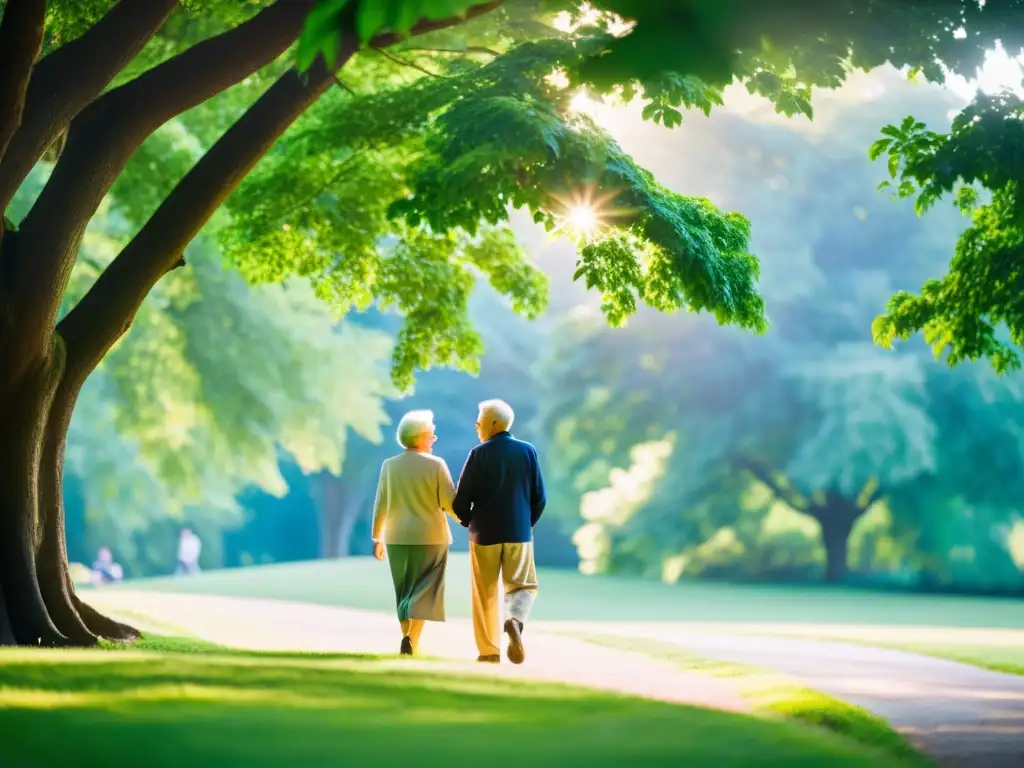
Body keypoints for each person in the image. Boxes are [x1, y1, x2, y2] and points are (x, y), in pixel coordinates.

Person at [453, 398, 546, 665]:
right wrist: (526, 524)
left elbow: (461, 501)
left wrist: (469, 521)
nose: (476, 426)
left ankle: (488, 652)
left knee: (485, 593)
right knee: (523, 585)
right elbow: (539, 496)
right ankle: (514, 620)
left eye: (479, 421)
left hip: (483, 534)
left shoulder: (478, 453)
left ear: (493, 424)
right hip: (519, 532)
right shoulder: (528, 451)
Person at [372, 409, 458, 656]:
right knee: (425, 590)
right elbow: (450, 503)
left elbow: (381, 503)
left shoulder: (389, 465)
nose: (434, 439)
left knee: (404, 591)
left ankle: (408, 641)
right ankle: (412, 639)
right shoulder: (436, 465)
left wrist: (377, 537)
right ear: (420, 436)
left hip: (396, 537)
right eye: (431, 434)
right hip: (431, 536)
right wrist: (470, 521)